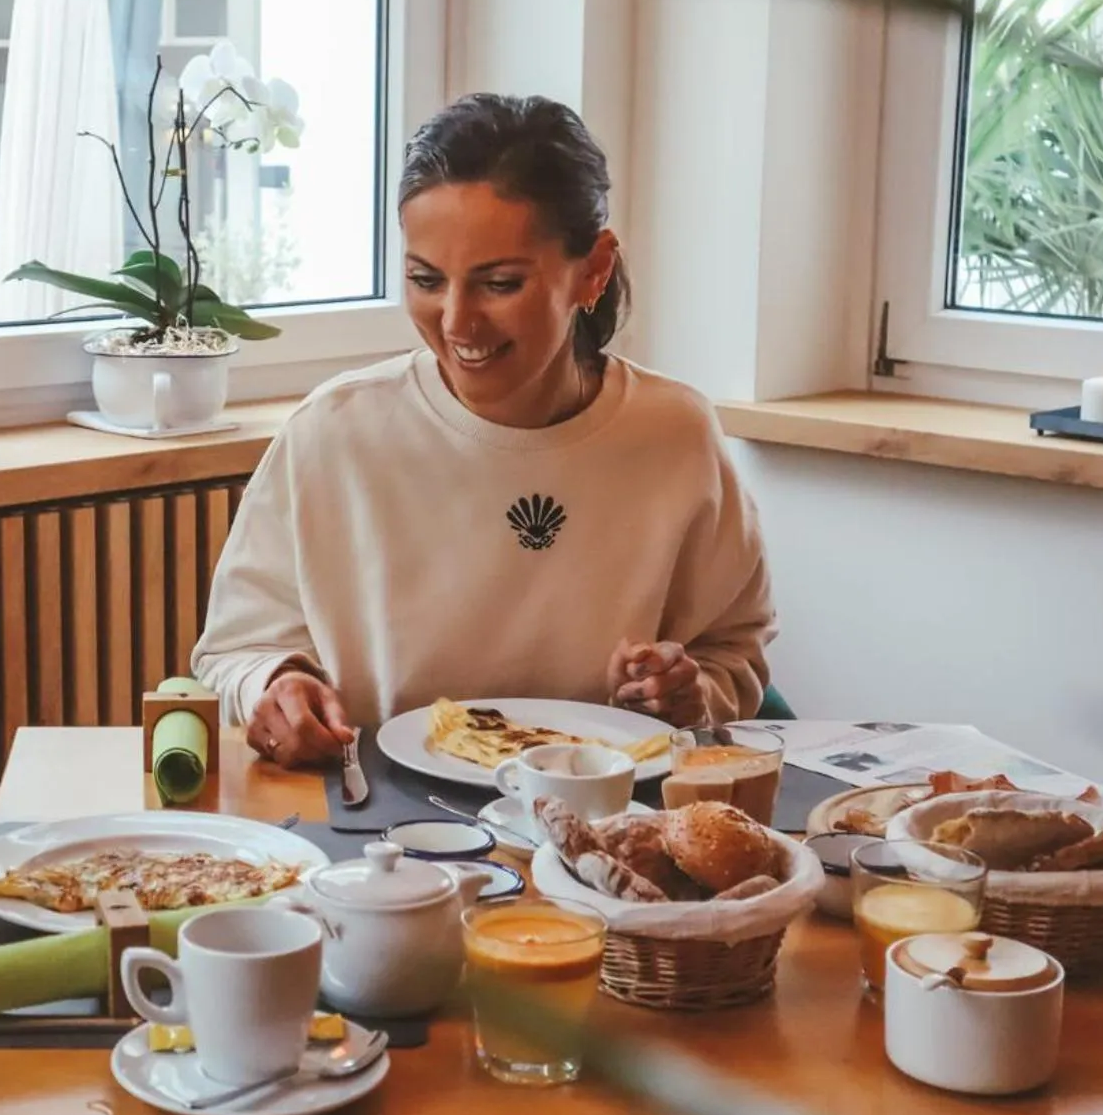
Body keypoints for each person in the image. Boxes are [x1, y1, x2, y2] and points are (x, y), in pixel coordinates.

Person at [191, 94, 775, 768]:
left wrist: (691, 691)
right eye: (426, 280)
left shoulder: (675, 432)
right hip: (383, 818)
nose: (457, 322)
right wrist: (276, 687)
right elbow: (231, 652)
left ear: (593, 269)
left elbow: (735, 649)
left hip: (611, 815)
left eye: (499, 283)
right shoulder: (333, 432)